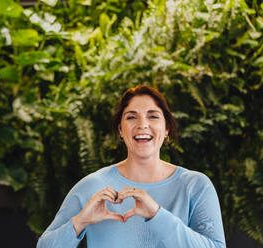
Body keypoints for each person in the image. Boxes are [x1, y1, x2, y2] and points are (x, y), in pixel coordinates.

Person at [36, 85, 226, 248]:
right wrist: (81, 221)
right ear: (120, 129)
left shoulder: (195, 185)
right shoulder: (93, 185)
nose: (142, 124)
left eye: (153, 116)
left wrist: (157, 215)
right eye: (131, 117)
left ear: (166, 128)